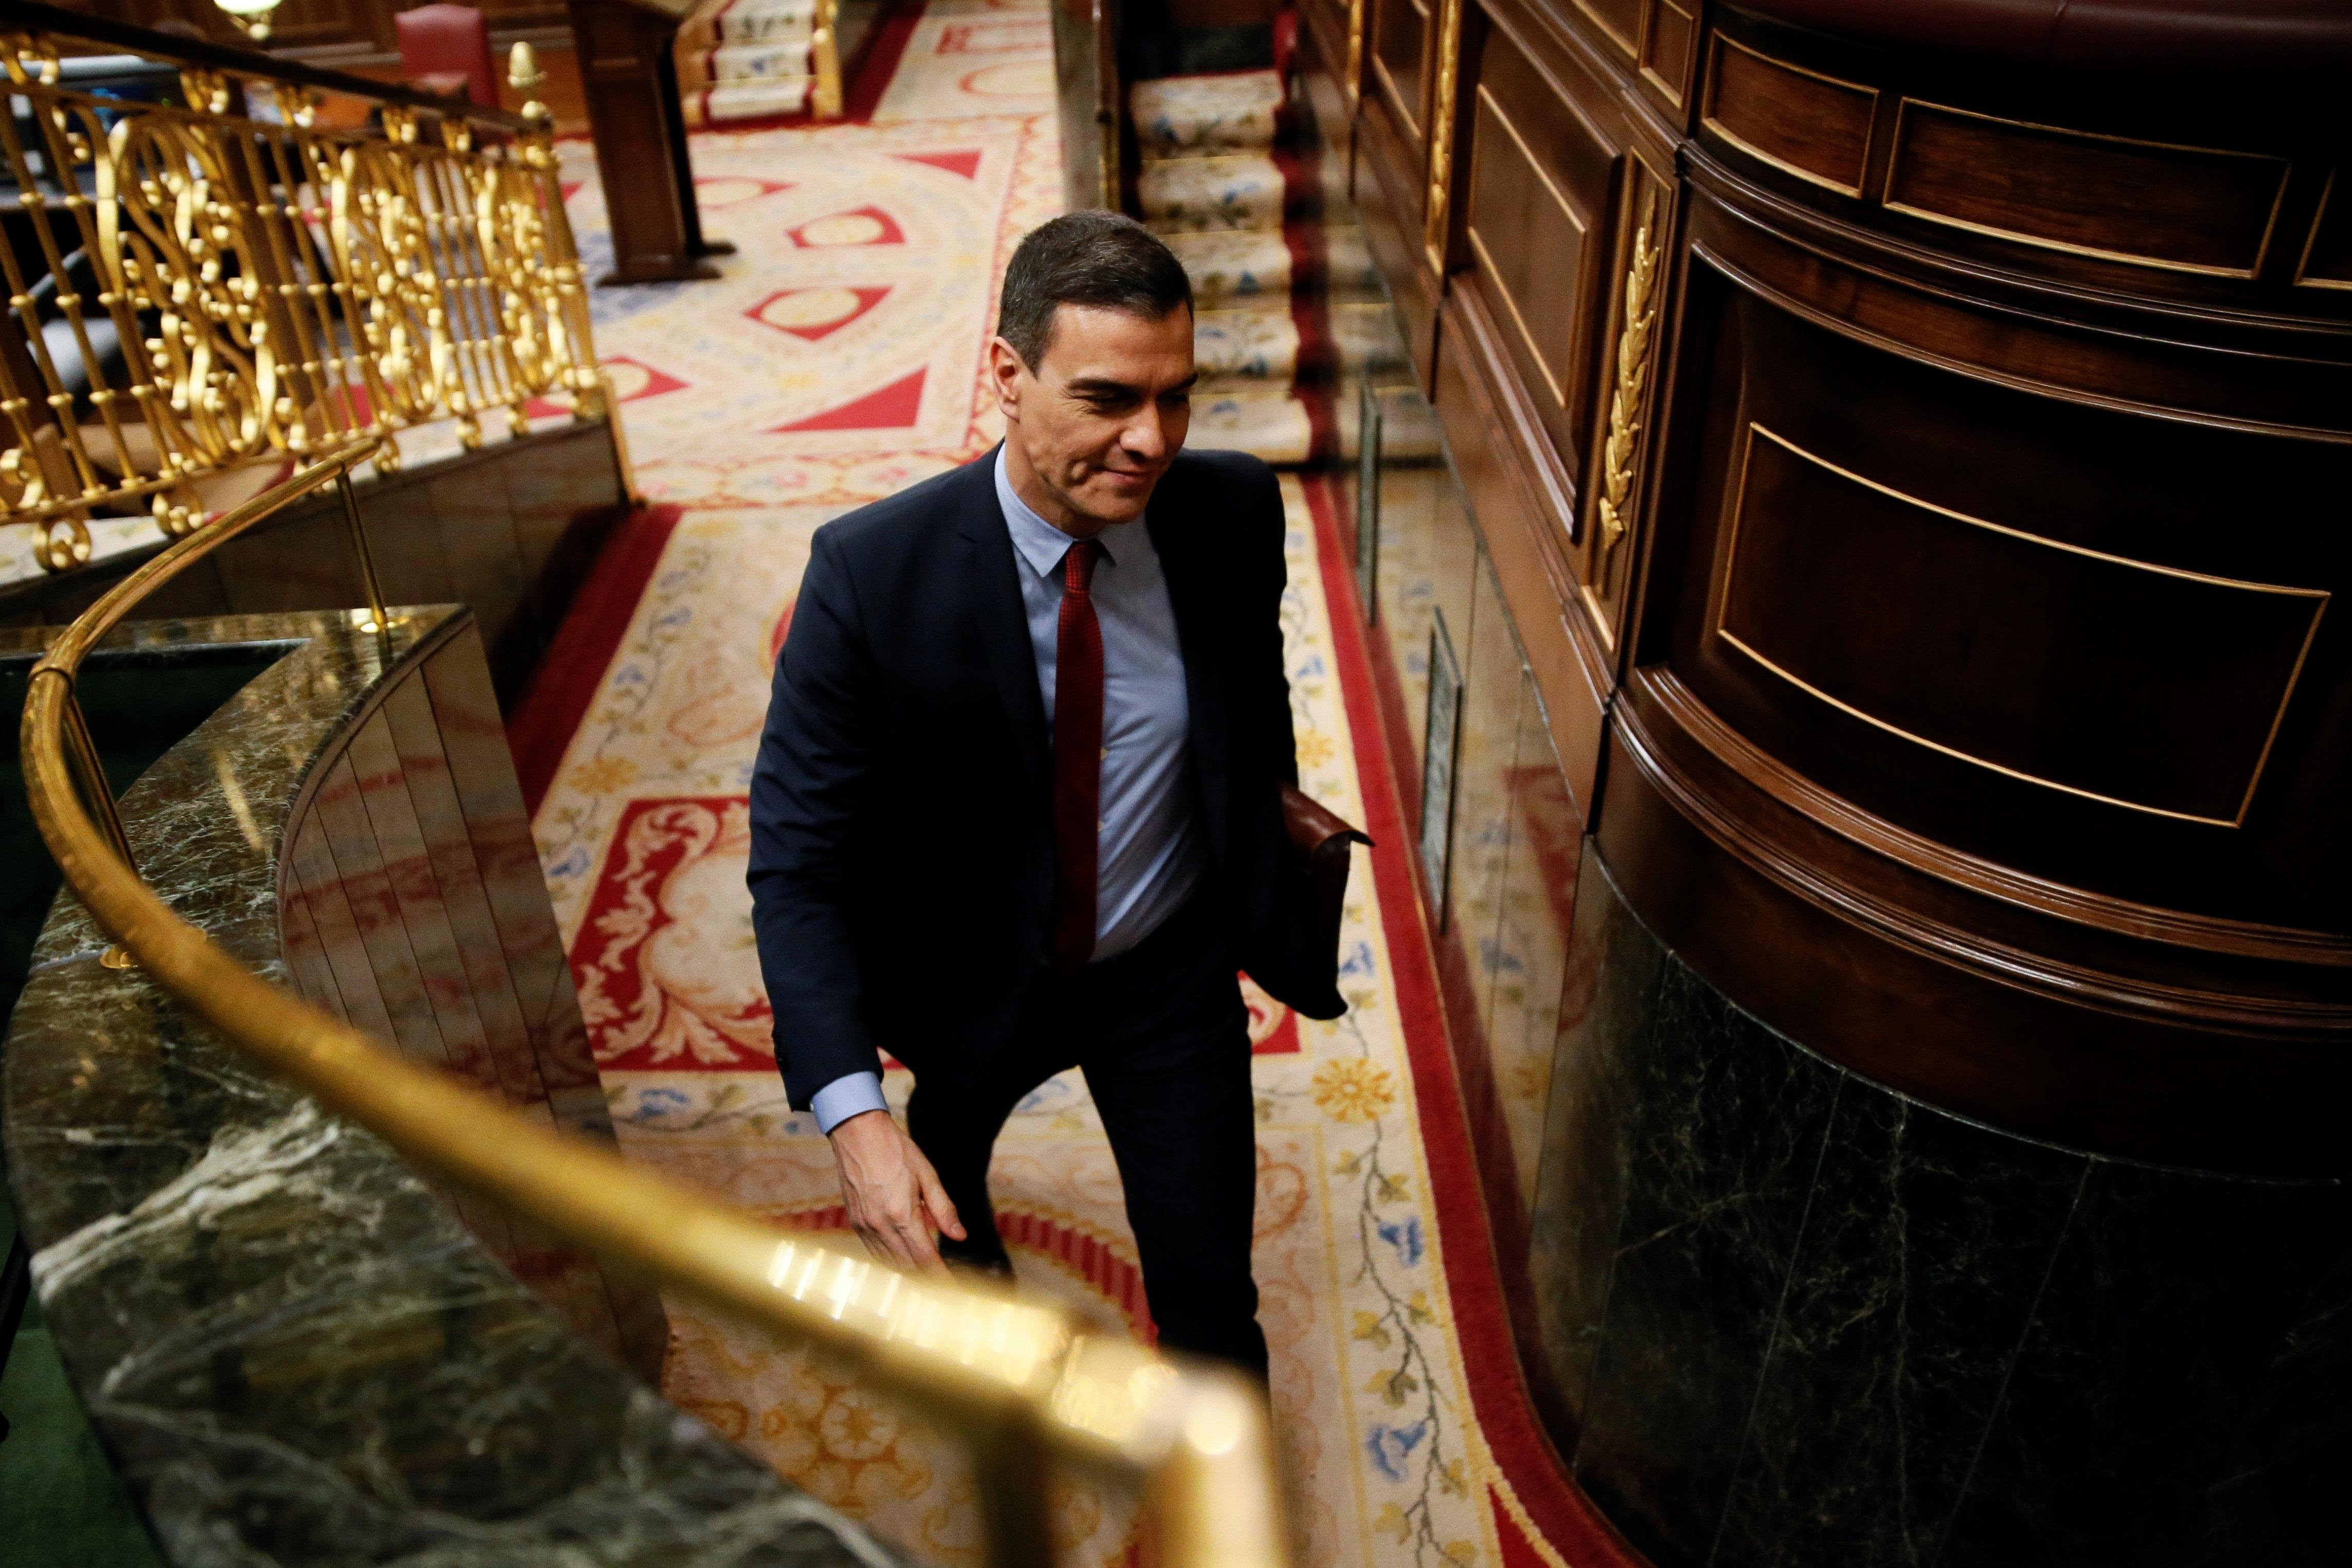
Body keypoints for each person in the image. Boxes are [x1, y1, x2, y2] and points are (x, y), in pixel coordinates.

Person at [746, 210, 1342, 1378]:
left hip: (1166, 973)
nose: (1151, 439)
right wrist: (851, 1118)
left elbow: (1250, 726)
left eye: (1176, 396)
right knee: (947, 1223)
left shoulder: (1228, 513)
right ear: (1006, 378)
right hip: (966, 983)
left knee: (1214, 1306)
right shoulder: (869, 577)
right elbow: (796, 864)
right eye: (1108, 397)